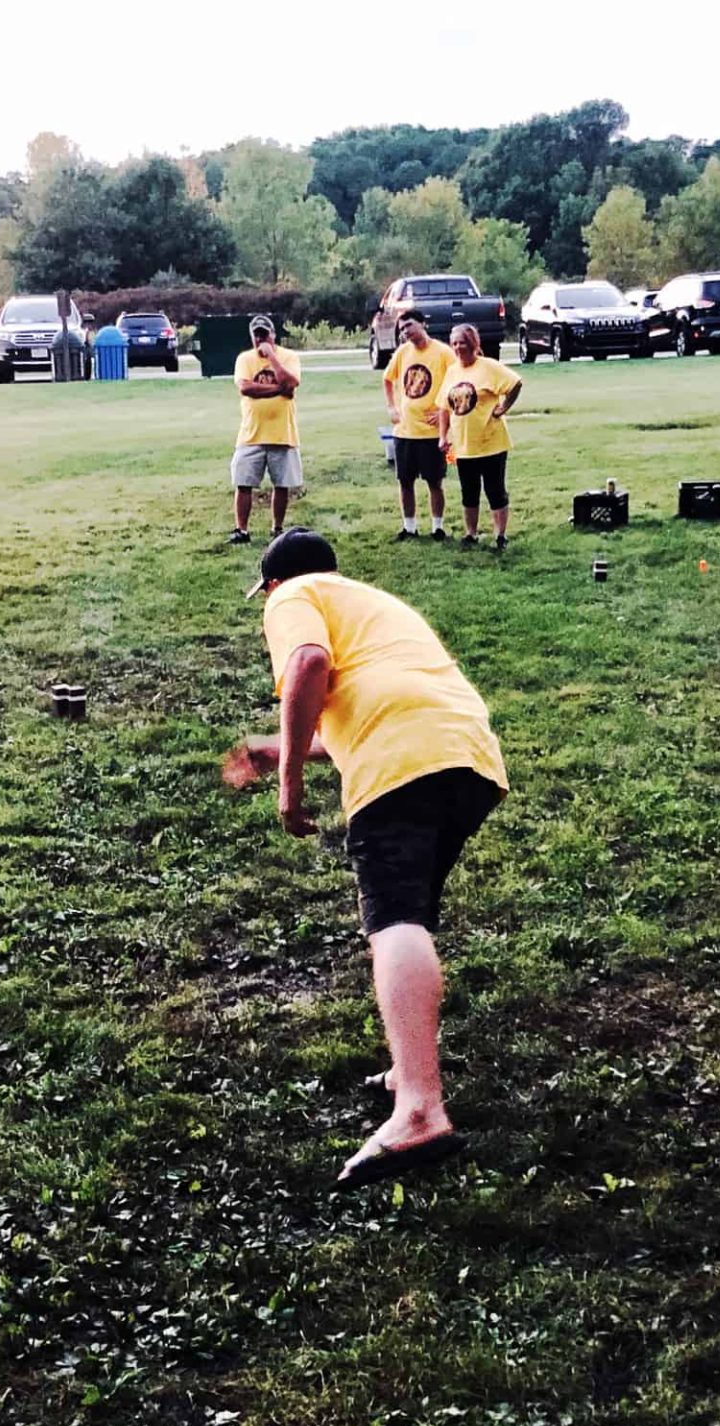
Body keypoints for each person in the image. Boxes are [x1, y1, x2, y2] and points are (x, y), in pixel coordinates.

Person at [225, 529, 509, 1189]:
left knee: (393, 921)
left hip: (402, 763)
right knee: (407, 917)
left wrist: (289, 787)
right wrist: (280, 747)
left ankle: (419, 1109)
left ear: (272, 584)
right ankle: (410, 1071)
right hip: (467, 757)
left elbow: (307, 667)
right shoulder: (373, 603)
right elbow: (370, 699)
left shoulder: (290, 595)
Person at [440, 324, 523, 551]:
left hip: (491, 442)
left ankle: (500, 535)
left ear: (473, 344)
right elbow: (444, 407)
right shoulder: (452, 371)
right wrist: (442, 436)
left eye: (463, 342)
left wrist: (502, 408)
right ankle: (471, 533)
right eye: (455, 343)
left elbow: (516, 383)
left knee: (495, 490)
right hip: (464, 444)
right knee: (469, 491)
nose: (458, 347)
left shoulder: (488, 367)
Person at [228, 315, 302, 545]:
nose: (260, 338)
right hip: (251, 433)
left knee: (281, 484)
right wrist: (278, 390)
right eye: (256, 335)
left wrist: (271, 356)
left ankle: (277, 528)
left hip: (282, 432)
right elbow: (246, 388)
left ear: (273, 335)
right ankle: (242, 530)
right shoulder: (245, 359)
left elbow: (291, 382)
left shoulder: (288, 356)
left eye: (264, 334)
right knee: (243, 482)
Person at [382, 312, 456, 540]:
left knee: (434, 481)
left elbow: (458, 383)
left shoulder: (443, 352)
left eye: (410, 326)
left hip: (432, 433)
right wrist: (392, 407)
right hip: (405, 431)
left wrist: (446, 412)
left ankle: (437, 527)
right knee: (405, 482)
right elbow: (387, 378)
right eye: (402, 329)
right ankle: (410, 527)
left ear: (423, 323)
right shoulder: (403, 352)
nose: (406, 332)